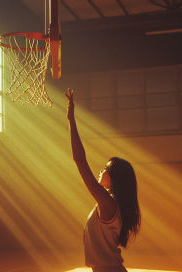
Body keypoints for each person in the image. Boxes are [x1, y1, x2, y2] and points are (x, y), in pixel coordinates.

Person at [64, 88, 141, 272]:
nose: (101, 170)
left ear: (114, 177)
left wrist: (72, 121)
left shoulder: (109, 204)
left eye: (105, 169)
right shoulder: (109, 204)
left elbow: (80, 160)